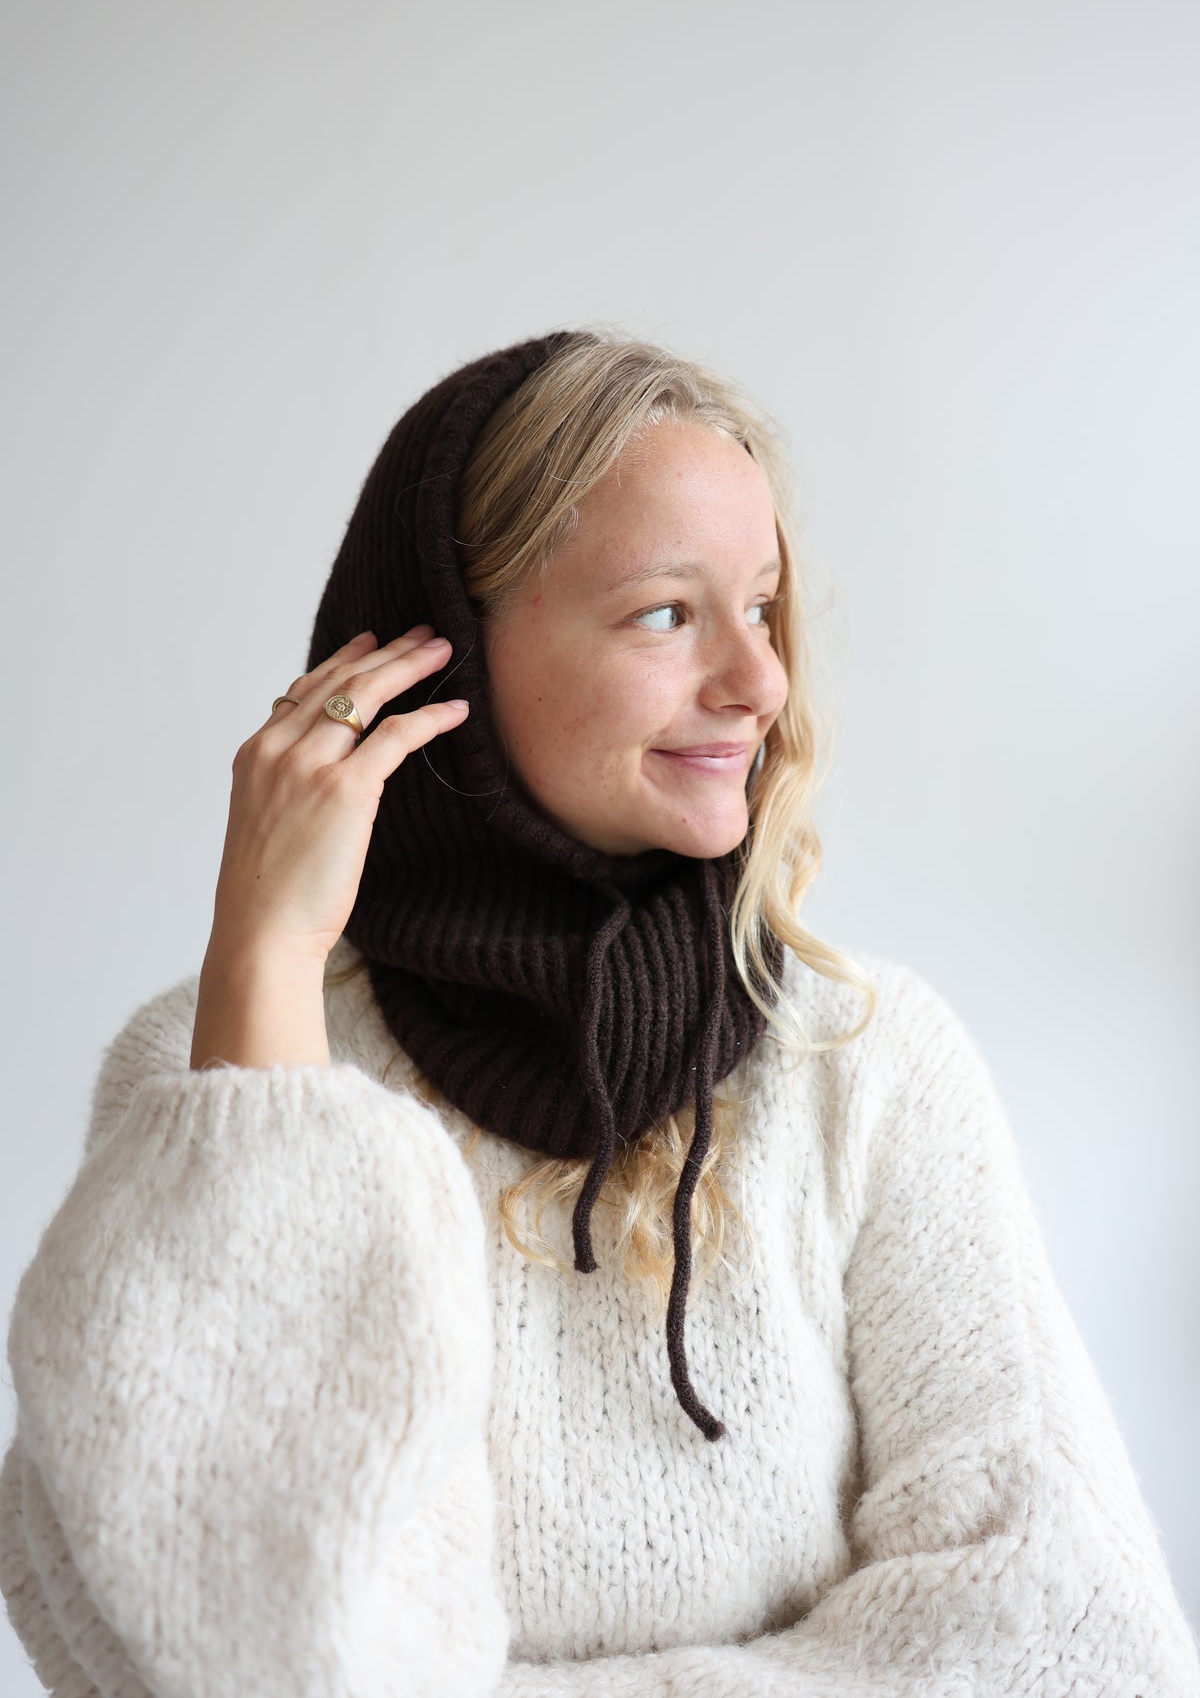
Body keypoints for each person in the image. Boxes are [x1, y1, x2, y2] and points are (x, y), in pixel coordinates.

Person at [1, 327, 1196, 1698]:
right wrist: (264, 967)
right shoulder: (209, 1070)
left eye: (762, 606)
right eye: (666, 614)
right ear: (443, 656)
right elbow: (208, 1639)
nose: (760, 683)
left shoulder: (866, 1064)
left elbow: (1066, 1635)